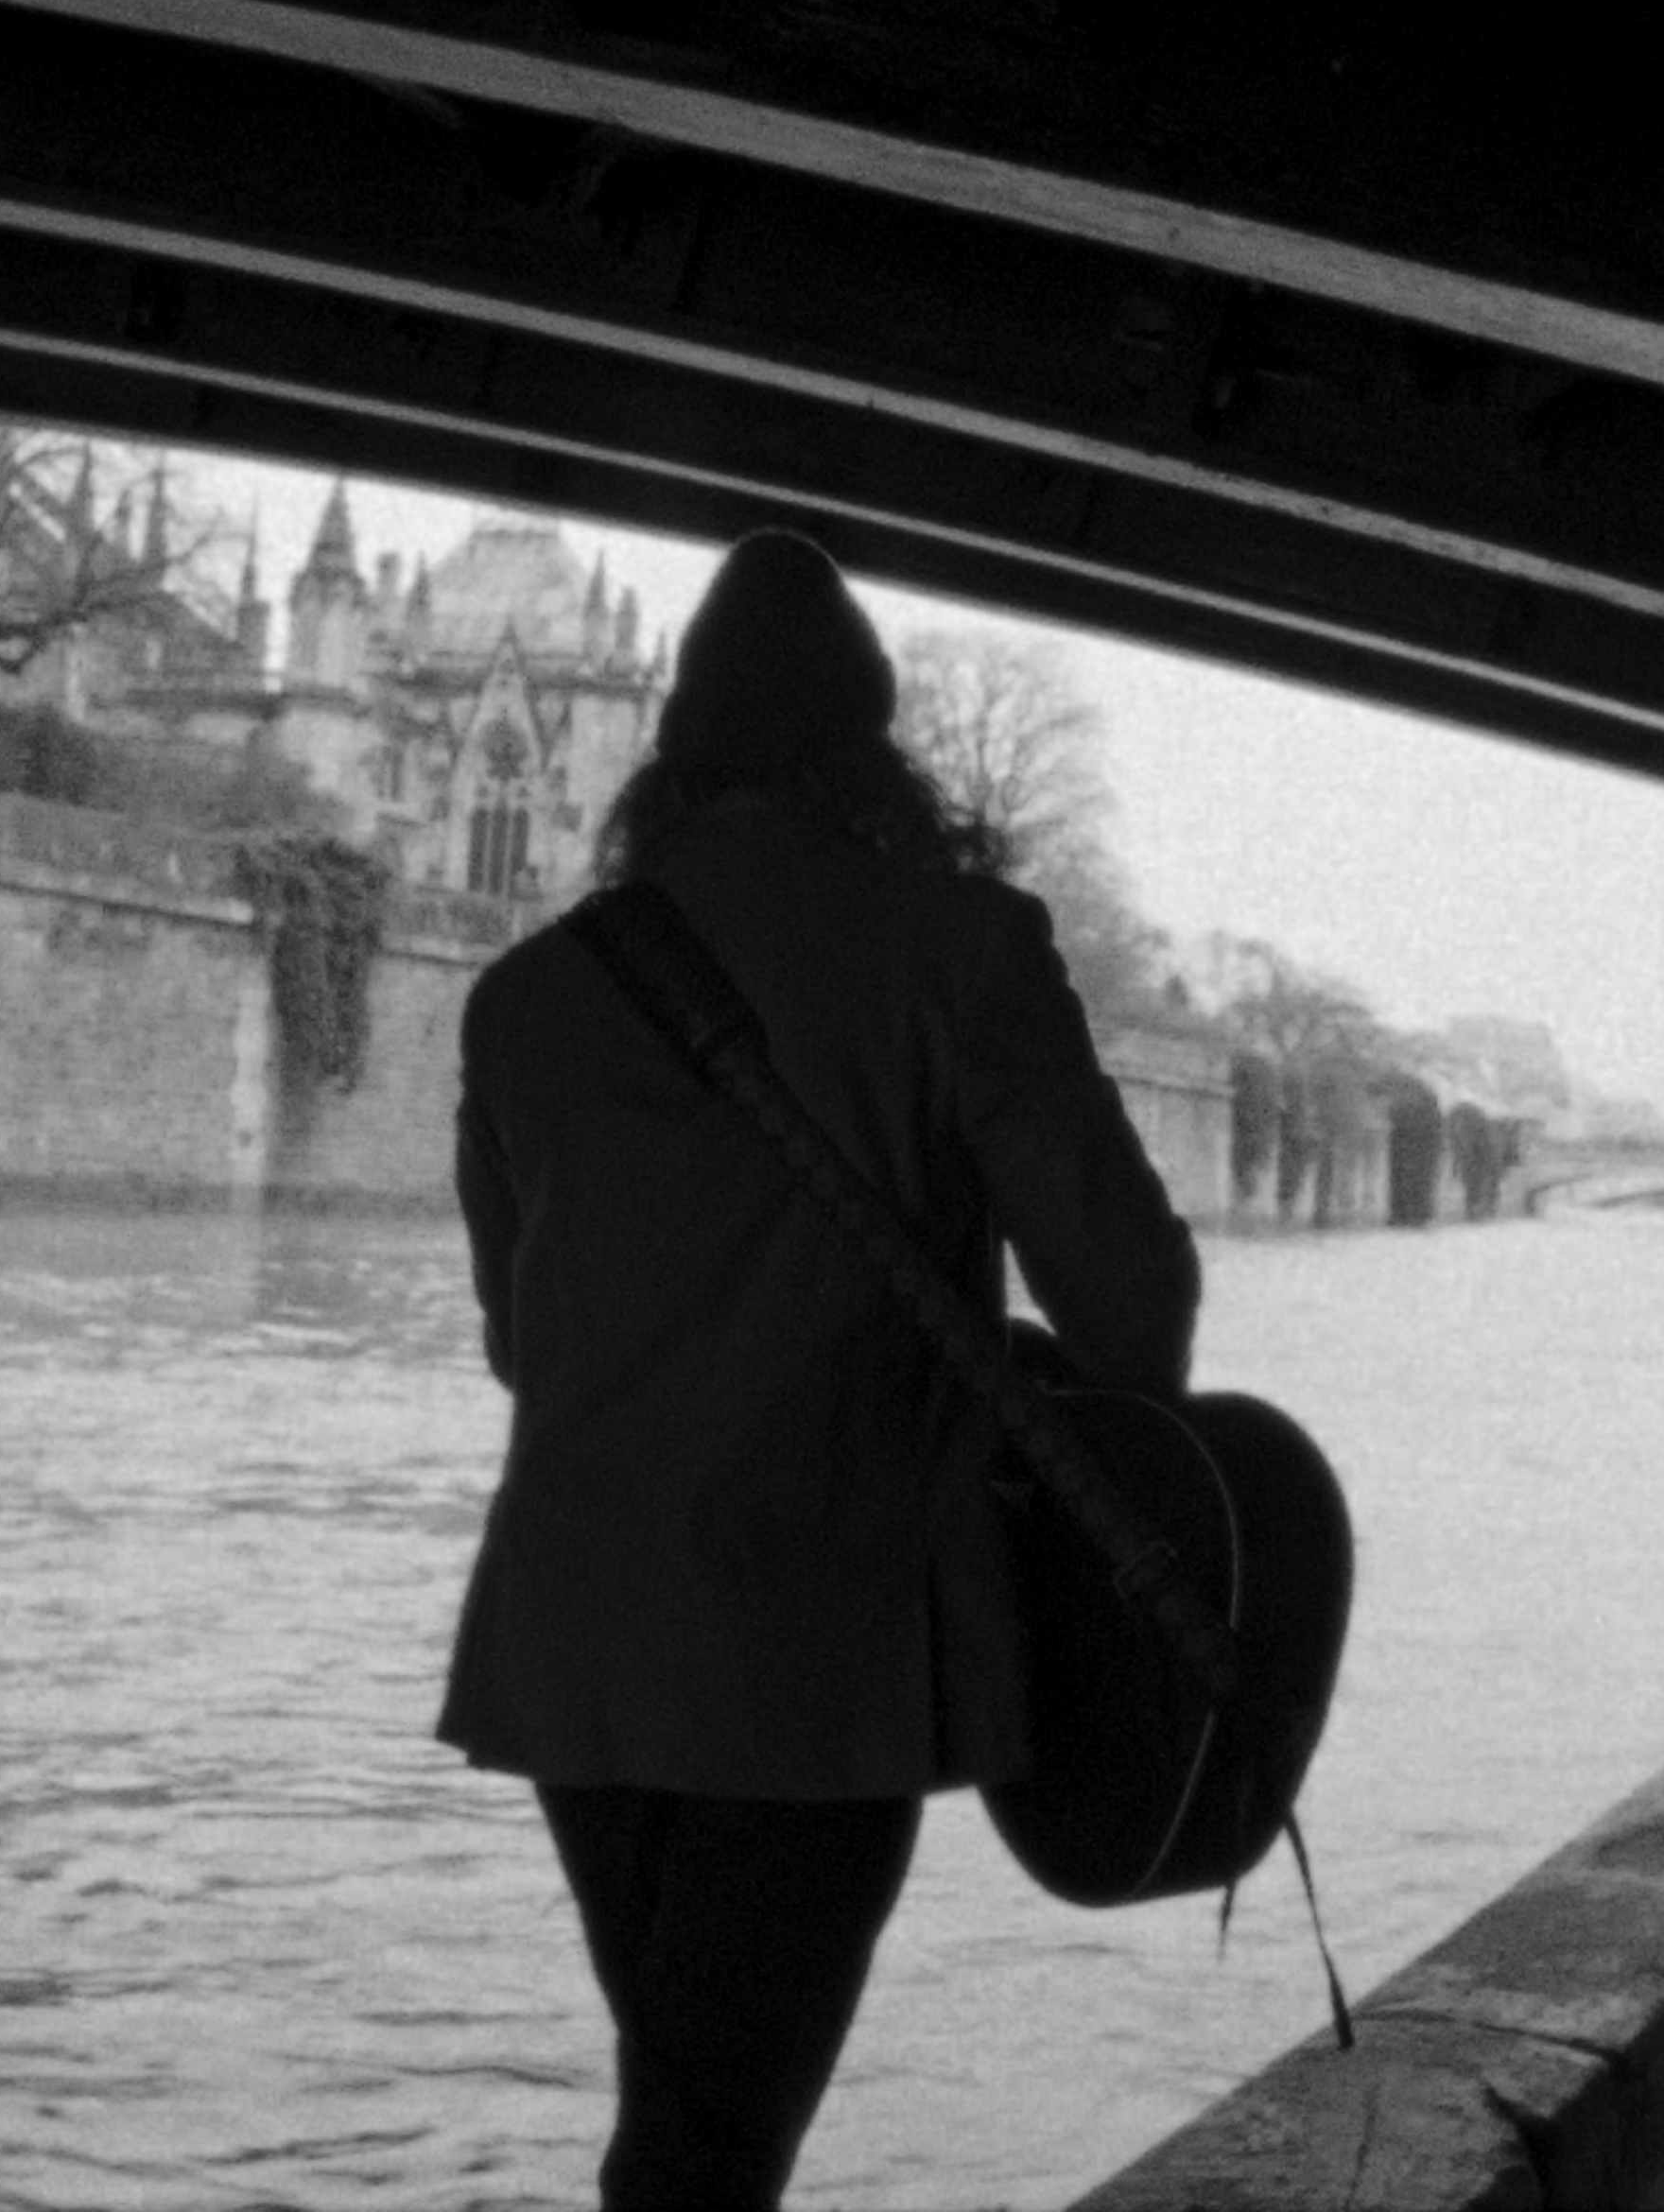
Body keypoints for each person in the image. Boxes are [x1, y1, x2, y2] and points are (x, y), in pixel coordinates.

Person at [441, 529, 1203, 2209]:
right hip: (822, 1637)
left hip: (578, 1637)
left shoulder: (523, 998)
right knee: (710, 2140)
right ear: (874, 749)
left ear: (670, 755)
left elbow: (522, 1343)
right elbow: (1131, 1308)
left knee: (687, 2104)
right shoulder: (964, 949)